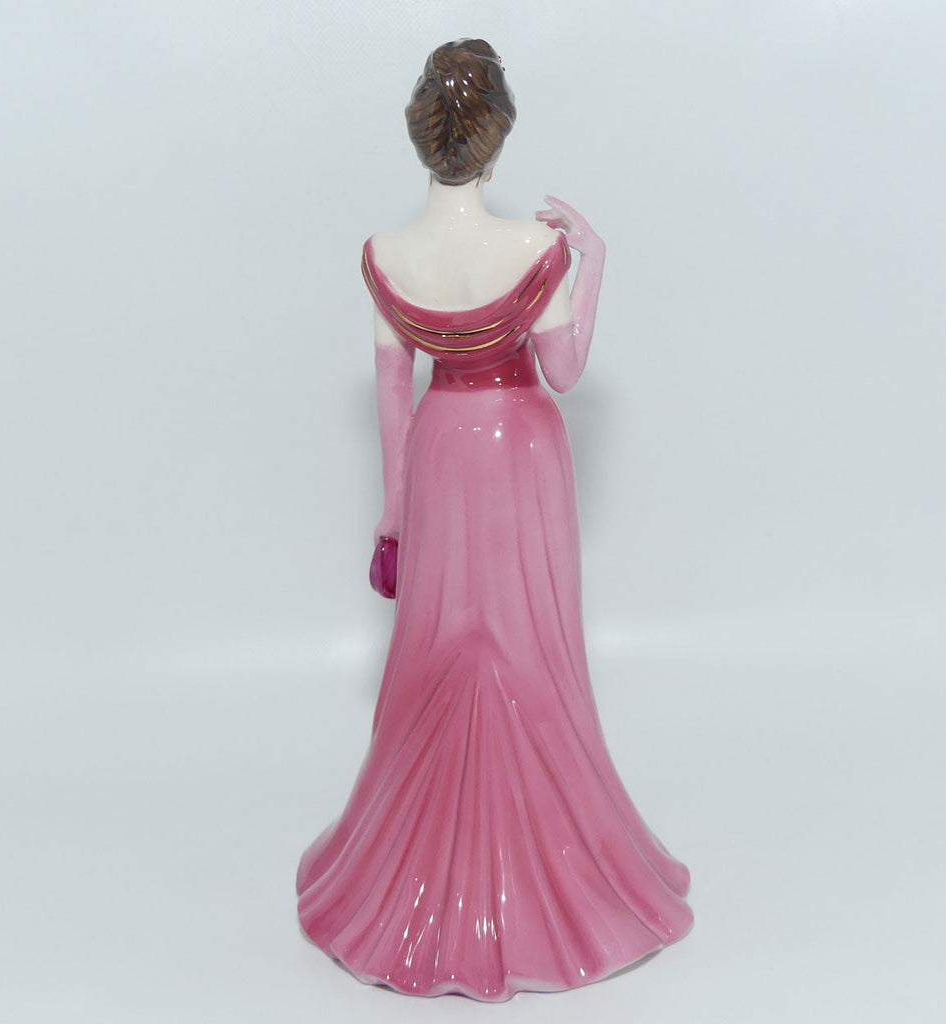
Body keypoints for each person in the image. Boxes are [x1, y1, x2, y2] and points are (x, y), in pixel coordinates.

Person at [296, 39, 692, 1001]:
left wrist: (395, 520)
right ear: (497, 136)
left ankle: (415, 867)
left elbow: (394, 399)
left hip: (441, 449)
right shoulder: (535, 251)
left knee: (442, 642)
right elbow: (564, 371)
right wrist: (595, 261)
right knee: (527, 646)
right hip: (520, 450)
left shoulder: (385, 256)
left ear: (420, 136)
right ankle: (552, 866)